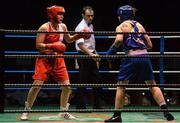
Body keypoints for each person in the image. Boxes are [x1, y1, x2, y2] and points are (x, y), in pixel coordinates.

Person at [105, 5, 175, 122]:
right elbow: (150, 45)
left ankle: (117, 115)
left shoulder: (121, 26)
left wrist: (112, 50)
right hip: (144, 56)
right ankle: (166, 111)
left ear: (122, 15)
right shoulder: (139, 25)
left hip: (131, 57)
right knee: (152, 85)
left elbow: (118, 40)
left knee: (121, 86)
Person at [20, 5, 90, 120]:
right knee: (36, 85)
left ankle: (63, 111)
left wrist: (79, 35)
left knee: (67, 87)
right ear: (52, 14)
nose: (62, 16)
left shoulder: (63, 26)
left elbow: (69, 39)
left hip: (58, 60)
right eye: (59, 14)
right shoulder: (44, 27)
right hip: (44, 59)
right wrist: (53, 46)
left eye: (62, 14)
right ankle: (26, 110)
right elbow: (38, 45)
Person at [74, 6, 102, 109]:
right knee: (82, 81)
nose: (90, 18)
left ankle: (97, 105)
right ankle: (80, 106)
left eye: (92, 16)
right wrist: (92, 55)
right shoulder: (80, 27)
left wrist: (95, 52)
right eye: (88, 16)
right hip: (84, 56)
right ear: (83, 15)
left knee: (97, 79)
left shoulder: (90, 25)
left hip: (91, 54)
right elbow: (81, 45)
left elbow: (90, 42)